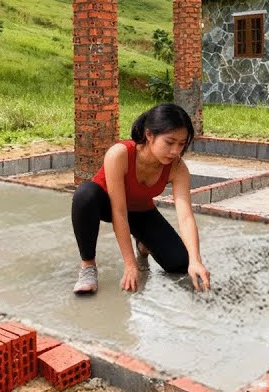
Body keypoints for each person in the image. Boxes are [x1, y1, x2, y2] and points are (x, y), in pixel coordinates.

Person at [70, 103, 212, 294]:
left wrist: (195, 260)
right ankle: (88, 267)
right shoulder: (119, 154)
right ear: (149, 135)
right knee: (85, 194)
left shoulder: (178, 168)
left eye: (181, 144)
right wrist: (130, 264)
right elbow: (119, 212)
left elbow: (185, 216)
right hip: (105, 204)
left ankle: (143, 243)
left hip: (141, 211)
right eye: (170, 142)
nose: (176, 151)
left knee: (179, 263)